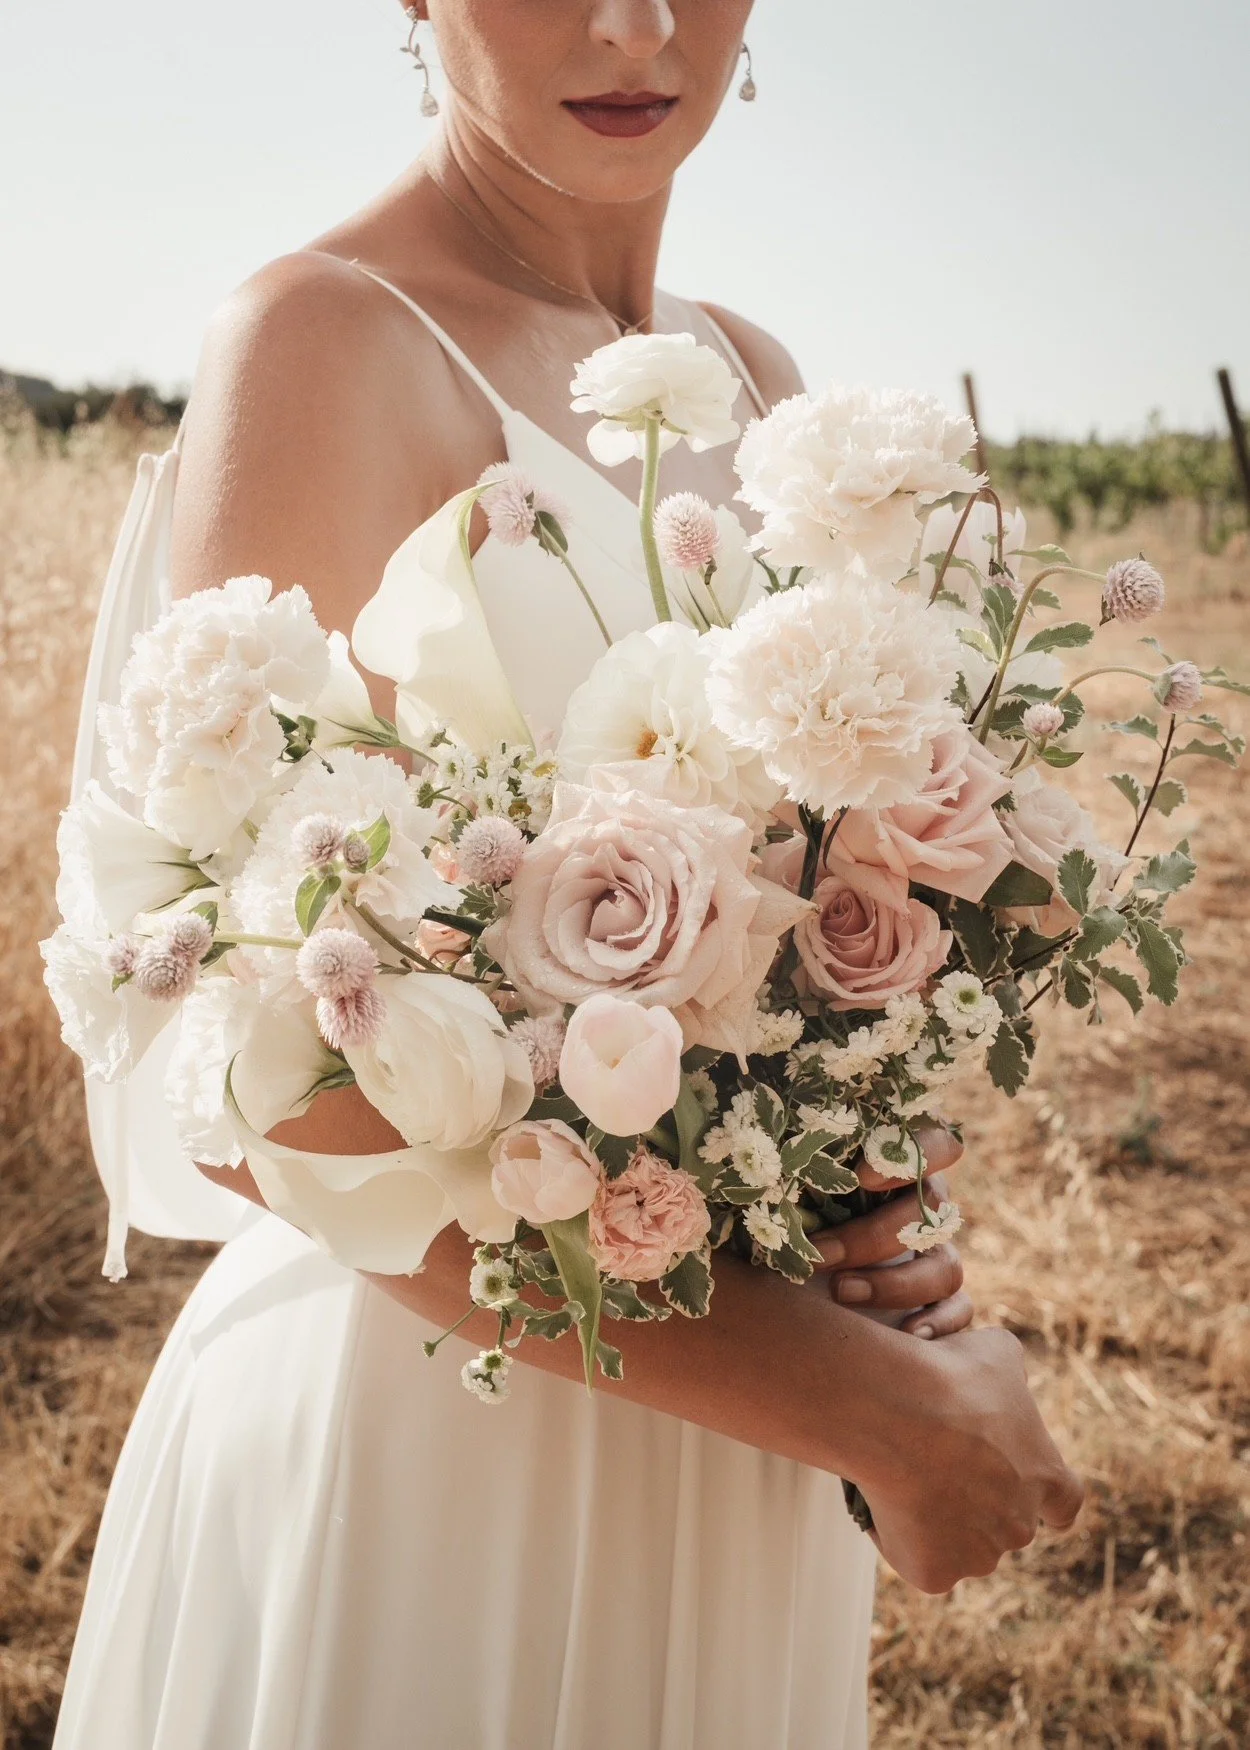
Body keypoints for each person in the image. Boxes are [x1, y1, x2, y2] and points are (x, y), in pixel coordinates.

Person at [53, 4, 1083, 1746]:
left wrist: (871, 1220)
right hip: (437, 1444)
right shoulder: (320, 339)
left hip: (744, 1450)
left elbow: (839, 925)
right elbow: (265, 1088)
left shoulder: (755, 372)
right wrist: (876, 1416)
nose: (634, 26)